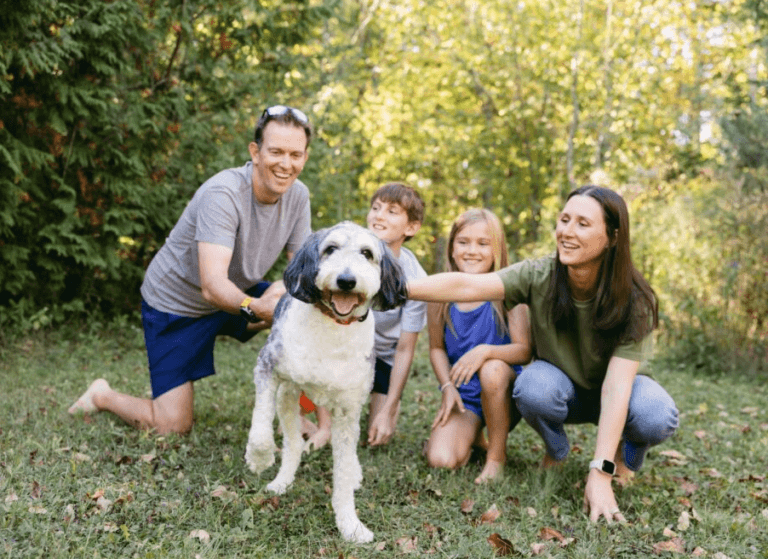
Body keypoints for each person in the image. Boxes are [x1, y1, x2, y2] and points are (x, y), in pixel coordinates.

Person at [407, 186, 678, 523]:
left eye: (583, 224)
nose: (567, 231)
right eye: (564, 220)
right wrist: (395, 288)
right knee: (531, 387)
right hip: (564, 391)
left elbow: (617, 388)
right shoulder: (540, 274)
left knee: (656, 414)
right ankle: (556, 449)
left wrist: (600, 472)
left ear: (612, 237)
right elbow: (468, 285)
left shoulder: (634, 297)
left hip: (618, 395)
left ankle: (626, 455)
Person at [68, 105, 314, 435]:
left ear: (305, 157)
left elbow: (300, 273)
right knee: (172, 426)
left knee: (302, 310)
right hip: (177, 305)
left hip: (235, 293)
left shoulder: (298, 195)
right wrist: (258, 307)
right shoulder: (223, 194)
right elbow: (212, 286)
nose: (286, 164)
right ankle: (102, 395)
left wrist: (283, 296)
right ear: (255, 152)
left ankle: (297, 413)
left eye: (295, 154)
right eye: (276, 152)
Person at [302, 182, 428, 450]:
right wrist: (326, 427)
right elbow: (323, 334)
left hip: (382, 359)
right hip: (342, 351)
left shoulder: (416, 278)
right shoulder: (342, 256)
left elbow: (405, 349)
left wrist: (388, 411)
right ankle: (307, 413)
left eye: (392, 211)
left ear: (411, 227)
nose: (379, 216)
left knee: (377, 438)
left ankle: (377, 404)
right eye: (376, 208)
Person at [424, 209, 531, 484]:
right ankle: (475, 437)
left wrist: (485, 351)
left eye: (483, 243)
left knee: (492, 369)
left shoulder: (510, 291)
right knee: (442, 459)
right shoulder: (439, 294)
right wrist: (447, 386)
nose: (472, 251)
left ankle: (496, 457)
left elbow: (524, 351)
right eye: (463, 242)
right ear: (452, 248)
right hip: (466, 398)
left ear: (497, 250)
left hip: (504, 391)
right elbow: (436, 348)